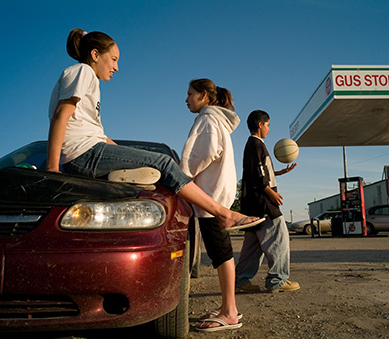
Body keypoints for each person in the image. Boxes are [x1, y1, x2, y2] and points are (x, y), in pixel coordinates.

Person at [46, 28, 261, 230]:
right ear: (94, 54)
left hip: (90, 152)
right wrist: (53, 170)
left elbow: (99, 137)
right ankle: (224, 214)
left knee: (155, 163)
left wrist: (133, 156)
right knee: (164, 162)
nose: (116, 67)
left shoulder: (88, 79)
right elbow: (60, 115)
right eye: (113, 59)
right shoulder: (83, 71)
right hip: (83, 155)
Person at [180, 79, 244, 332]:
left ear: (203, 95)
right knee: (221, 254)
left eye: (190, 94)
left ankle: (230, 313)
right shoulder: (217, 120)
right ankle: (228, 308)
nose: (186, 99)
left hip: (209, 198)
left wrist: (181, 176)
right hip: (217, 195)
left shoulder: (207, 120)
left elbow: (200, 155)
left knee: (221, 254)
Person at [235, 110, 300, 293]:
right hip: (263, 203)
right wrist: (271, 193)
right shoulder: (256, 144)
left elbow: (257, 172)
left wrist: (279, 173)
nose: (269, 129)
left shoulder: (252, 145)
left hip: (252, 204)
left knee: (252, 245)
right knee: (279, 238)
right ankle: (278, 280)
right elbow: (258, 176)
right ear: (260, 125)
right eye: (268, 125)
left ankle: (240, 281)